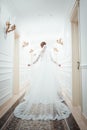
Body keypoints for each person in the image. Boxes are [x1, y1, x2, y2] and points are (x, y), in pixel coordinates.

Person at [14, 41, 70, 120]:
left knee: (39, 83)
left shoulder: (41, 52)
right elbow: (52, 60)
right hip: (48, 69)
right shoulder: (48, 52)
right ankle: (47, 95)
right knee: (48, 83)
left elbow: (36, 60)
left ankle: (42, 95)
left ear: (41, 46)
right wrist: (58, 64)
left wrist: (31, 64)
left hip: (41, 69)